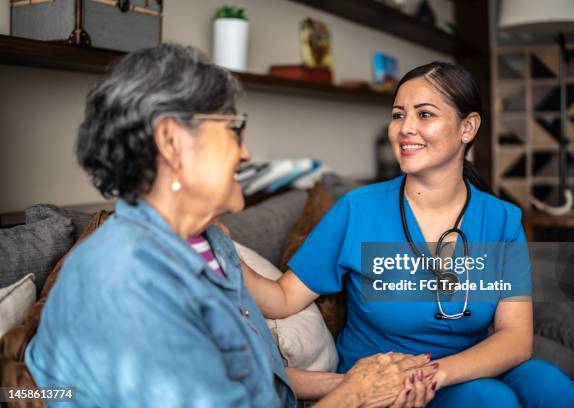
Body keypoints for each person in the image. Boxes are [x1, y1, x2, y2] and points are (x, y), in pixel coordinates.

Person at [24, 43, 438, 407]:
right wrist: (354, 396)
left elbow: (257, 381)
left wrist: (357, 381)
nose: (246, 152)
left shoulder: (211, 243)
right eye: (232, 130)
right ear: (171, 142)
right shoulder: (125, 282)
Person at [242, 62, 574, 408]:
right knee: (489, 400)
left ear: (467, 127)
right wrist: (216, 244)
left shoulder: (502, 220)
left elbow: (515, 337)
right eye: (398, 115)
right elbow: (283, 298)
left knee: (554, 388)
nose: (405, 129)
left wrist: (432, 374)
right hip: (385, 378)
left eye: (424, 114)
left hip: (462, 365)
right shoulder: (357, 210)